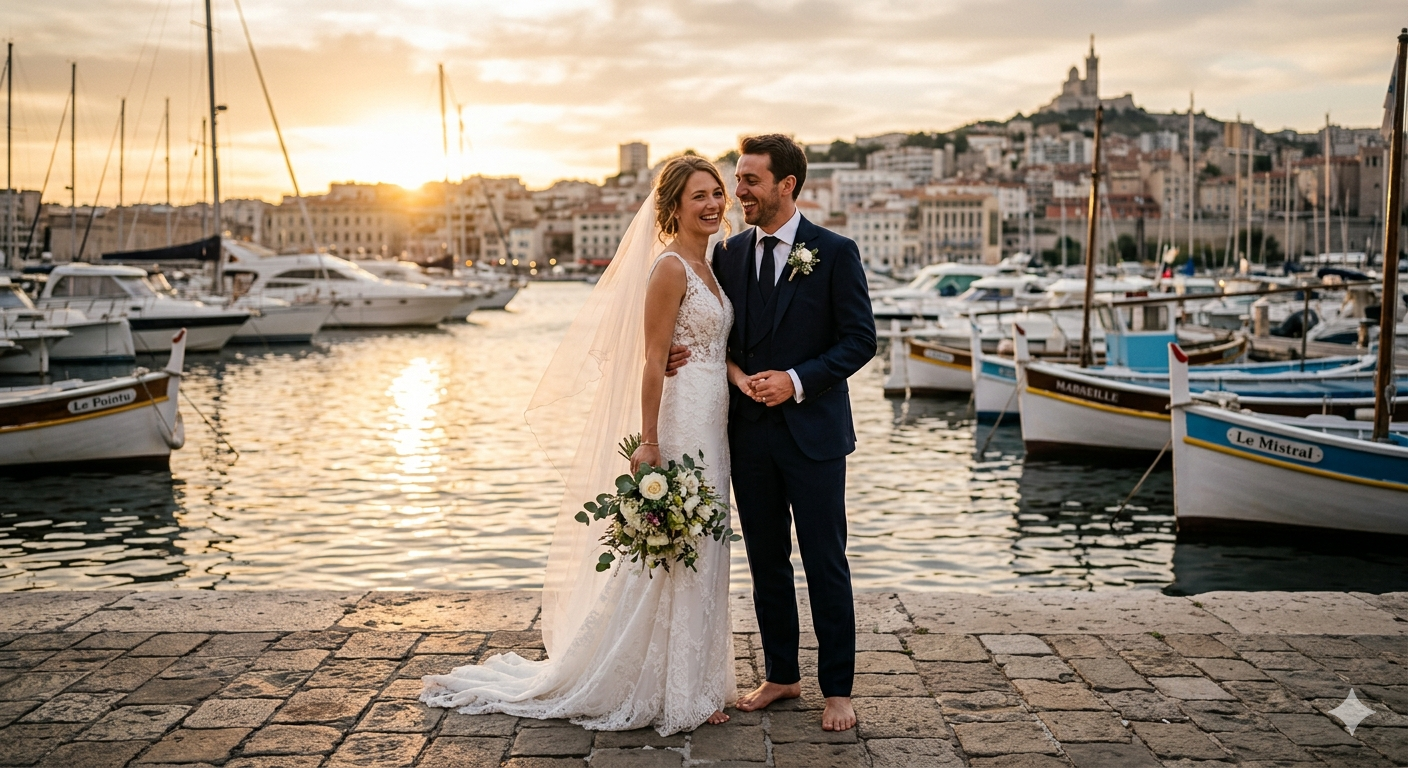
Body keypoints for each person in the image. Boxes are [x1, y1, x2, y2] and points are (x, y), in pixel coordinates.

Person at [420, 156, 739, 736]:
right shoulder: (669, 268)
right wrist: (648, 441)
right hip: (681, 422)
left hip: (713, 419)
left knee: (704, 546)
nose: (714, 204)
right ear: (673, 206)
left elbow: (714, 346)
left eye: (718, 193)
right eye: (700, 196)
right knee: (676, 549)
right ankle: (667, 687)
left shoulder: (711, 264)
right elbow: (650, 359)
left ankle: (696, 680)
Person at [668, 134, 876, 731]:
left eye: (750, 181)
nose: (739, 192)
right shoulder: (728, 254)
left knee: (825, 561)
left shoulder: (835, 252)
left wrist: (796, 380)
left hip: (813, 434)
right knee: (765, 559)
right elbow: (711, 333)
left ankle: (838, 689)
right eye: (737, 180)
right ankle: (782, 674)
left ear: (786, 186)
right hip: (748, 434)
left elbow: (860, 340)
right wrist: (673, 357)